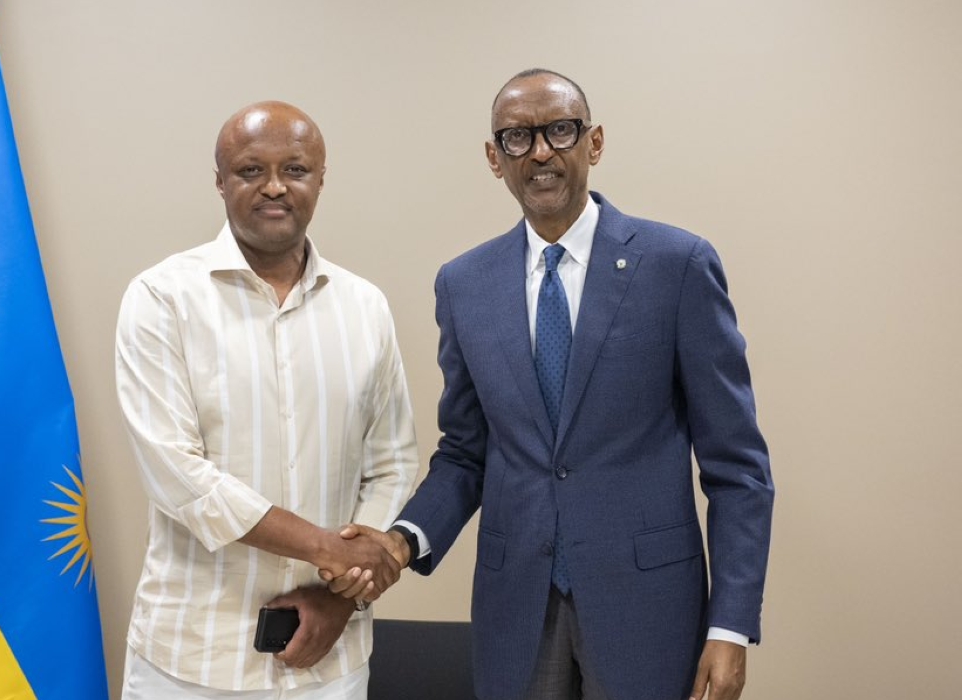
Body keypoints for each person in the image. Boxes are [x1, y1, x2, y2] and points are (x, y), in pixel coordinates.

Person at [329, 69, 775, 700]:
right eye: (516, 137)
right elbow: (465, 452)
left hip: (647, 610)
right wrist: (402, 542)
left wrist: (731, 628)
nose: (540, 151)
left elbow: (739, 469)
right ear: (494, 158)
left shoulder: (677, 265)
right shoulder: (464, 285)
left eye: (560, 130)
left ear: (592, 142)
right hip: (517, 611)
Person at [115, 101, 417, 699]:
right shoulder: (161, 299)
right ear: (220, 180)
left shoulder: (365, 308)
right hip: (191, 661)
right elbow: (181, 477)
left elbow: (393, 463)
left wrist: (340, 596)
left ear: (321, 180)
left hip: (329, 661)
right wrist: (326, 548)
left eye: (295, 170)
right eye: (251, 170)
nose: (274, 186)